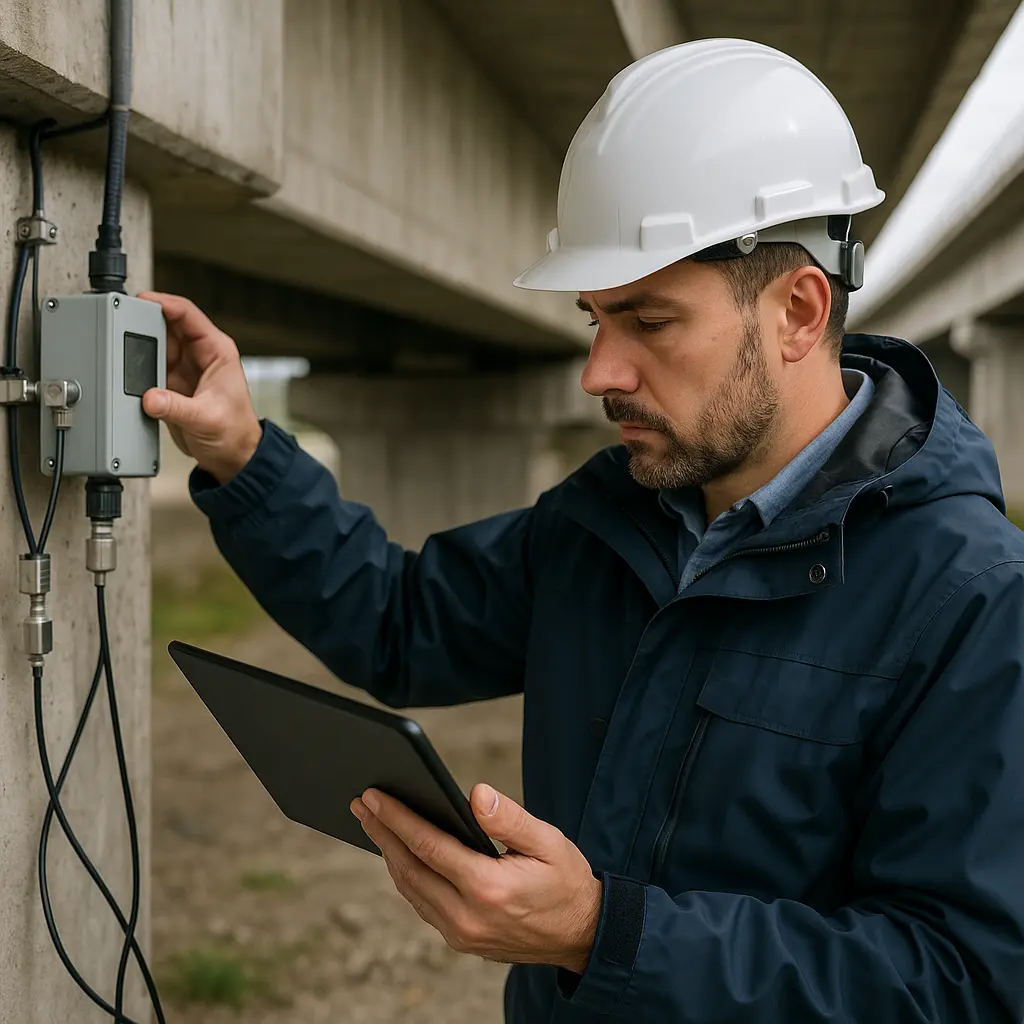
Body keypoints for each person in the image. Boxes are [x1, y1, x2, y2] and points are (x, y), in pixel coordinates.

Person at [141, 39, 1024, 1024]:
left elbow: (965, 982)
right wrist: (242, 453)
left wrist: (601, 933)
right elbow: (396, 620)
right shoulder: (608, 517)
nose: (598, 371)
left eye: (648, 322)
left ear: (797, 311)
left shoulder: (973, 596)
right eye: (594, 318)